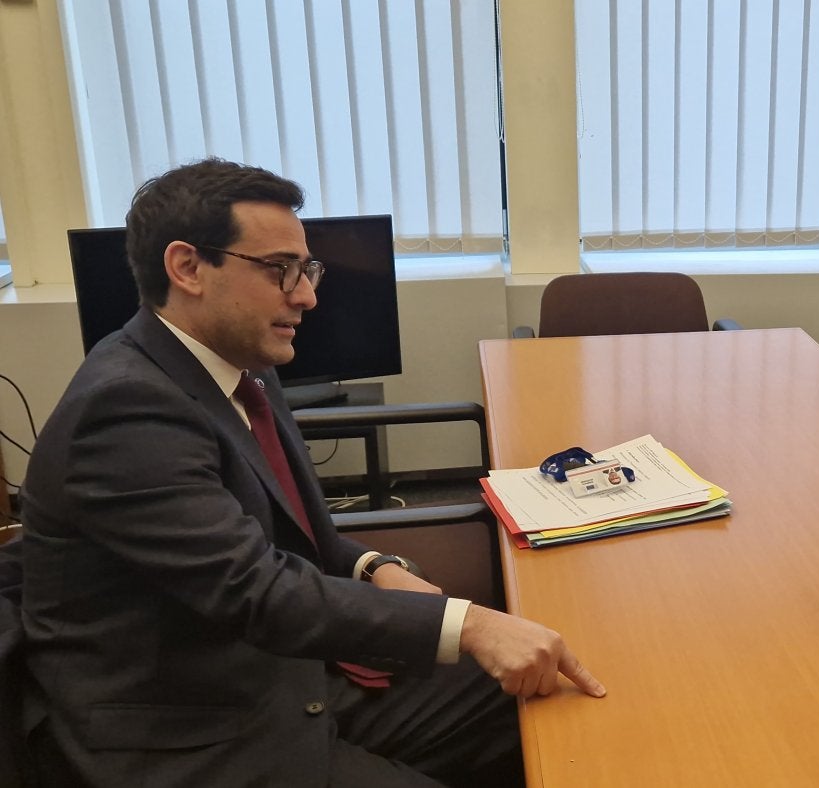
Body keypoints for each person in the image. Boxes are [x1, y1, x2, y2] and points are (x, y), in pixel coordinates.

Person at [20, 158, 605, 786]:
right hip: (193, 733)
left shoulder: (243, 368)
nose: (307, 295)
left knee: (553, 693)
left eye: (308, 268)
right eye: (281, 270)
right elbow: (257, 591)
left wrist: (372, 566)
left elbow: (301, 536)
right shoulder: (125, 410)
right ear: (187, 268)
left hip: (289, 677)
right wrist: (471, 624)